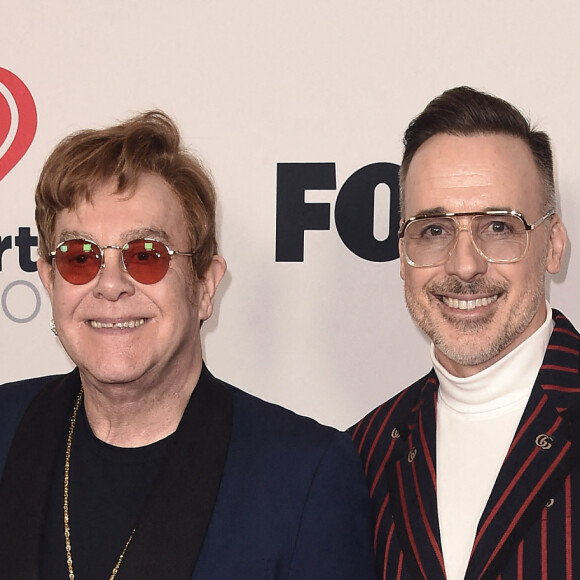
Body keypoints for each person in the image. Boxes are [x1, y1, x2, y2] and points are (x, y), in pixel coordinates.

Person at [0, 111, 376, 579]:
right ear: (49, 280)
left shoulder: (303, 477)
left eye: (146, 256)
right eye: (80, 257)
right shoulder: (7, 424)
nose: (110, 285)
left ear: (204, 286)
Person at [351, 86, 577, 580]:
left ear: (553, 247)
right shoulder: (359, 457)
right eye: (434, 231)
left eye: (498, 227)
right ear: (403, 256)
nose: (465, 265)